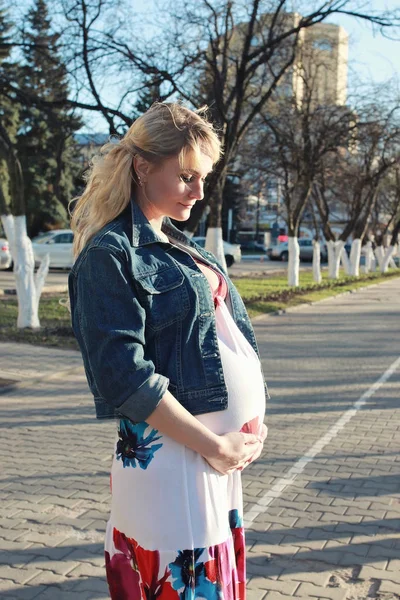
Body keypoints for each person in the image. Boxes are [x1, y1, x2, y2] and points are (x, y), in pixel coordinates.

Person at [68, 102, 269, 600]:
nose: (199, 193)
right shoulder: (109, 253)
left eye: (202, 177)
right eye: (184, 176)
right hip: (176, 458)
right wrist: (214, 444)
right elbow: (124, 376)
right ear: (142, 166)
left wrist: (250, 422)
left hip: (210, 460)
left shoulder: (177, 242)